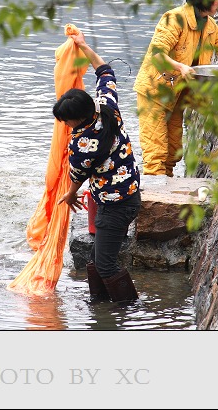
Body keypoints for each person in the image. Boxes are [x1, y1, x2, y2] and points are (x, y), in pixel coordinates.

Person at [53, 30, 141, 303]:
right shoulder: (107, 108)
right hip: (129, 195)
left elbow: (77, 176)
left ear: (77, 119)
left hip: (114, 207)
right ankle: (99, 304)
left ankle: (128, 309)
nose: (65, 126)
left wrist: (69, 194)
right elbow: (105, 73)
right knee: (95, 259)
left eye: (66, 122)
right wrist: (84, 46)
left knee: (105, 264)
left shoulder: (80, 144)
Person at [133, 0, 218, 176]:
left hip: (177, 97)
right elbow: (157, 53)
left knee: (173, 150)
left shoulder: (210, 26)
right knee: (155, 153)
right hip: (155, 92)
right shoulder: (174, 19)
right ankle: (154, 196)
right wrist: (180, 66)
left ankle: (167, 191)